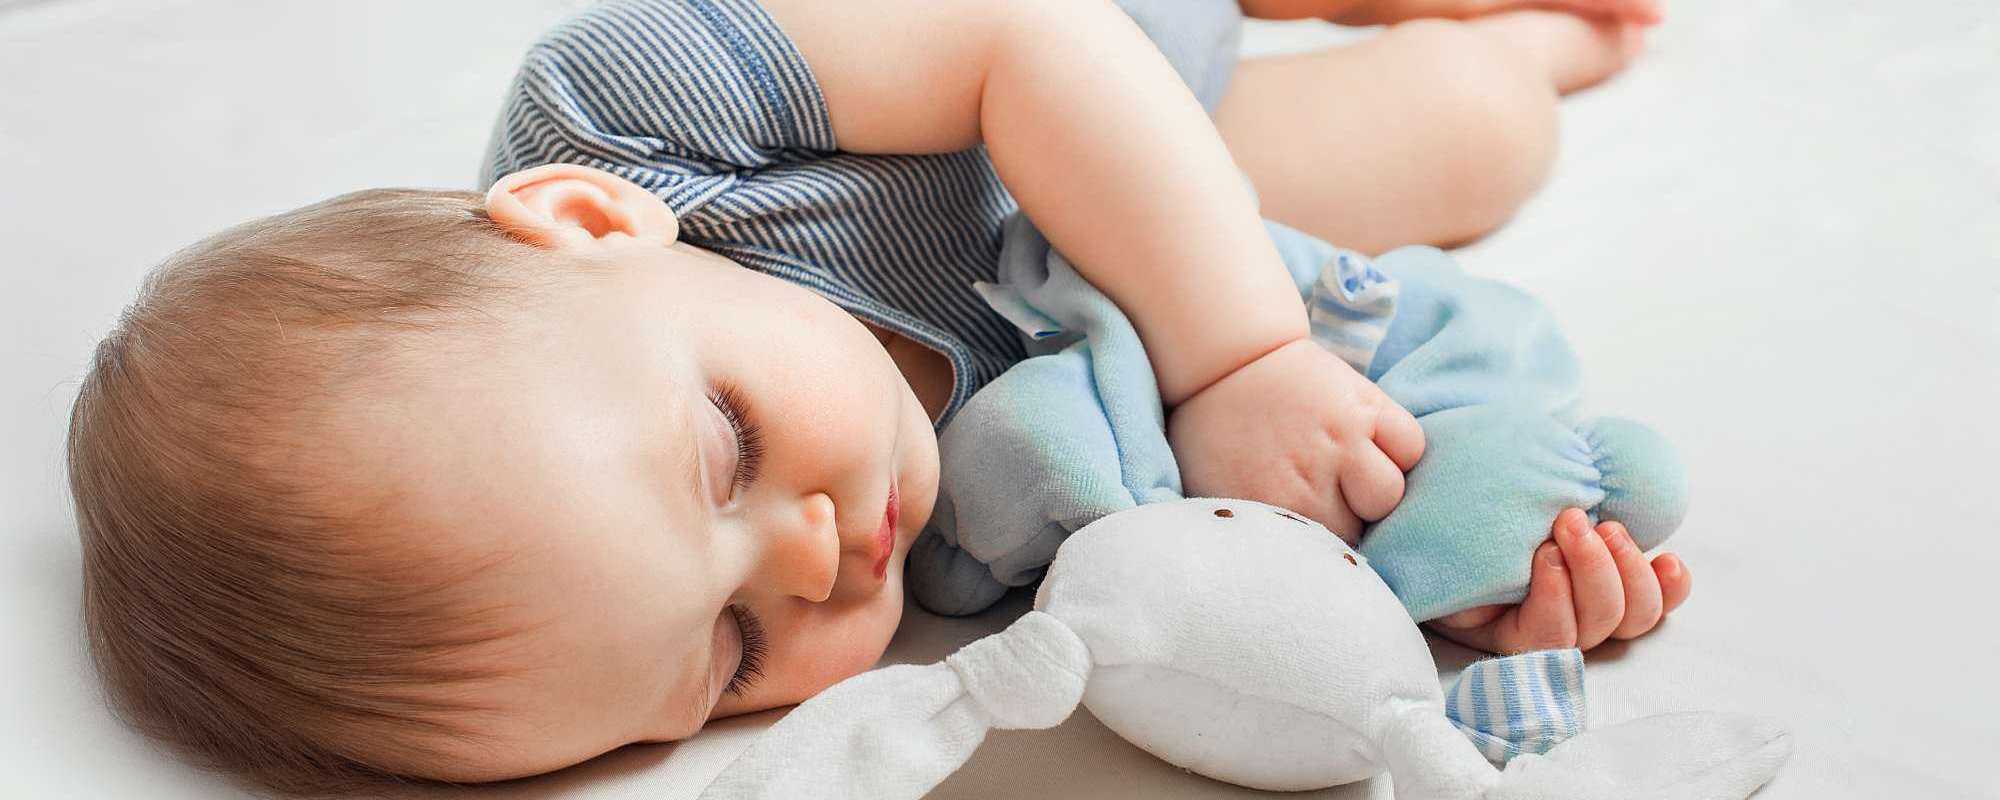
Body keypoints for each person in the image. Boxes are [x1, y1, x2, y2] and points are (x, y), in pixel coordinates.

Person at [66, 0, 1687, 793]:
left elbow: (1019, 39)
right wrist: (1447, 579)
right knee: (1484, 125)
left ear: (585, 226)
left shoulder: (627, 118)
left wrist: (1242, 358)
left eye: (725, 454)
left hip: (1061, 40)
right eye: (729, 653)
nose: (827, 558)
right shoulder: (987, 540)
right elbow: (1251, 571)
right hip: (1144, 204)